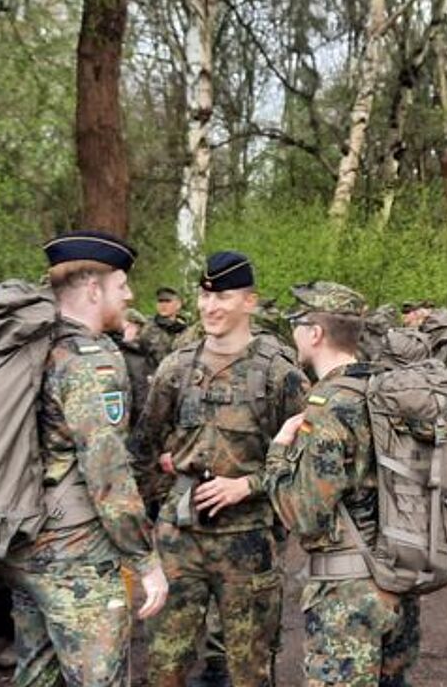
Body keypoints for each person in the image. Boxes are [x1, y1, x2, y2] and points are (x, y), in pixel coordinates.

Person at [133, 251, 309, 687]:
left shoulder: (279, 374)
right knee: (164, 665)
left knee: (250, 669)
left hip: (248, 544)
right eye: (204, 296)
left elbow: (310, 460)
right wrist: (162, 506)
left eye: (224, 297)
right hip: (180, 542)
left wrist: (248, 485)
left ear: (250, 302)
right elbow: (141, 450)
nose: (210, 307)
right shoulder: (177, 368)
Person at [6, 230, 168, 687]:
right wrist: (146, 562)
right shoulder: (91, 360)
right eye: (122, 286)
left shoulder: (28, 345)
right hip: (77, 557)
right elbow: (108, 473)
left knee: (34, 676)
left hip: (22, 545)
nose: (130, 295)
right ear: (94, 289)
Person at [261, 281, 419, 687]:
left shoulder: (328, 406)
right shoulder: (386, 390)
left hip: (348, 594)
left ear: (315, 333)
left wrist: (278, 454)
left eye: (297, 322)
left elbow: (308, 515)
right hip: (399, 578)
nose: (293, 330)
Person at [142, 287, 190, 364]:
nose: (163, 305)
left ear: (178, 305)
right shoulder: (148, 328)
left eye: (168, 301)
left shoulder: (186, 330)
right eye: (160, 301)